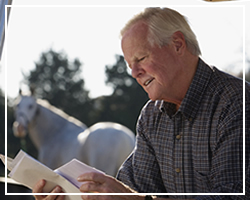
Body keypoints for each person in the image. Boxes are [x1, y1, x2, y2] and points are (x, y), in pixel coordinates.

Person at [33, 7, 249, 200]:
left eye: (142, 58)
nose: (135, 73)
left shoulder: (236, 103)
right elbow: (131, 189)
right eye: (130, 65)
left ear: (177, 44)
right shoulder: (151, 116)